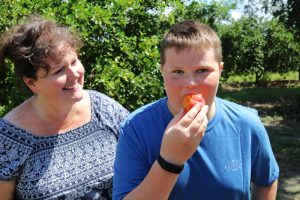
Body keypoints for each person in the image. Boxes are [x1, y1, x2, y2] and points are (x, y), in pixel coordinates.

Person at [113, 20, 279, 199]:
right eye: (177, 72)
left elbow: (266, 180)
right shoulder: (136, 128)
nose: (190, 84)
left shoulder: (246, 124)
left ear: (220, 70)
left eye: (202, 70)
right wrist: (169, 161)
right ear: (162, 71)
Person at [0, 15, 129, 199]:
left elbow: (141, 156)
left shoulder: (103, 108)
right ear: (32, 83)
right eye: (59, 70)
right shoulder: (7, 139)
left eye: (74, 62)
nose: (74, 74)